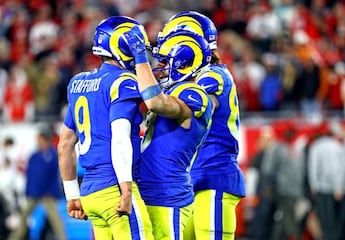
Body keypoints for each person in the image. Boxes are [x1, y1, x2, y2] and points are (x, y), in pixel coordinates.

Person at [57, 16, 153, 240]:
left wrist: (72, 194)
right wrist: (126, 190)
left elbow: (65, 145)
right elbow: (119, 138)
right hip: (115, 188)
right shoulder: (123, 82)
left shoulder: (78, 83)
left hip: (90, 193)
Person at [156, 11, 246, 240]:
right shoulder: (189, 80)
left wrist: (155, 99)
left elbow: (200, 104)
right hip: (190, 179)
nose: (165, 63)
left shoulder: (212, 75)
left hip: (213, 173)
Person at [121, 25, 213, 239]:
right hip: (151, 191)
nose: (159, 67)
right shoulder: (173, 91)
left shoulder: (193, 93)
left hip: (167, 194)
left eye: (165, 61)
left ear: (185, 63)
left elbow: (154, 101)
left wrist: (140, 58)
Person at [8, 126, 66, 240]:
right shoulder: (34, 156)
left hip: (47, 193)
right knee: (24, 218)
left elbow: (55, 175)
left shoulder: (53, 155)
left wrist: (52, 190)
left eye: (40, 139)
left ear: (45, 139)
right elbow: (30, 176)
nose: (38, 141)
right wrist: (28, 191)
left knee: (55, 219)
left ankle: (63, 238)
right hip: (34, 193)